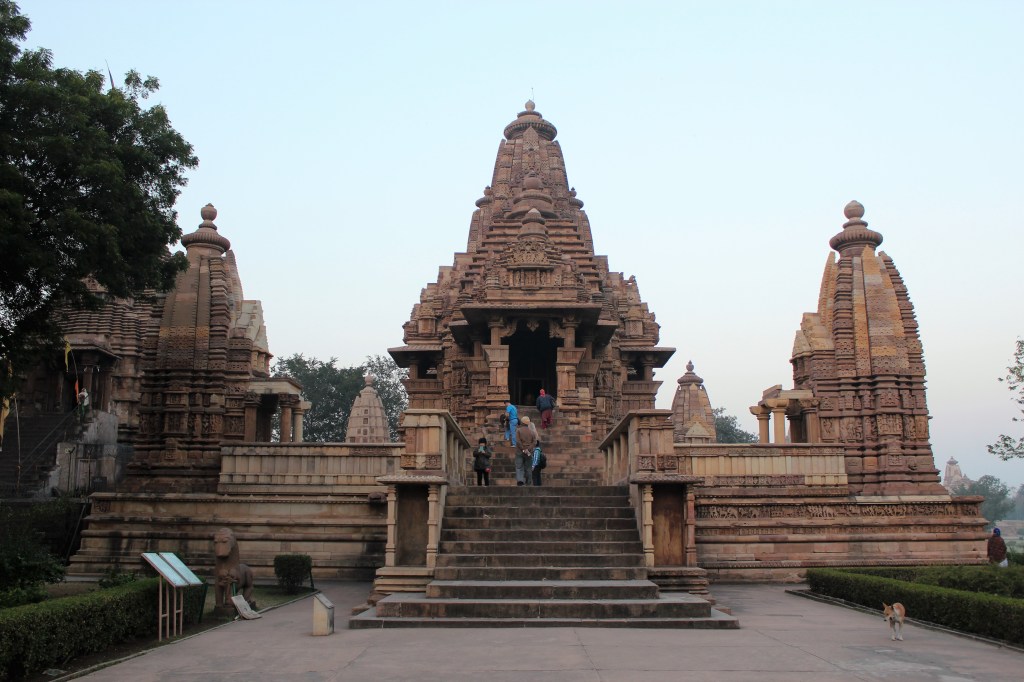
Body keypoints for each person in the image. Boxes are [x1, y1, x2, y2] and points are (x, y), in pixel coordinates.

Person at [514, 415, 538, 486]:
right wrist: (528, 449)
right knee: (528, 468)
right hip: (529, 452)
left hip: (519, 451)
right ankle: (528, 482)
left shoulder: (518, 430)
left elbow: (518, 441)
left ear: (522, 422)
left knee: (519, 466)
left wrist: (523, 449)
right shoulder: (532, 432)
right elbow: (535, 442)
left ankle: (520, 480)